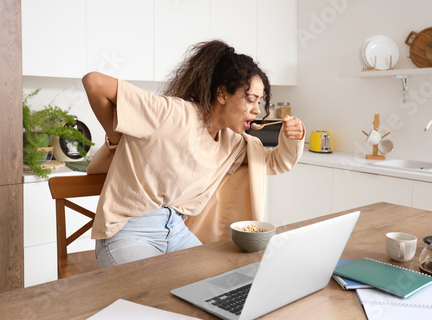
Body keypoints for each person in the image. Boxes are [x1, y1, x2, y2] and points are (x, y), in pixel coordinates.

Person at [83, 40, 305, 269]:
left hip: (177, 230)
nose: (257, 110)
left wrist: (293, 137)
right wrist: (117, 137)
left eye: (259, 101)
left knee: (220, 285)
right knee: (151, 296)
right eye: (250, 99)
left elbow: (274, 163)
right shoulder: (172, 113)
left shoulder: (233, 142)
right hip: (130, 230)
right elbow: (95, 83)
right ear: (221, 94)